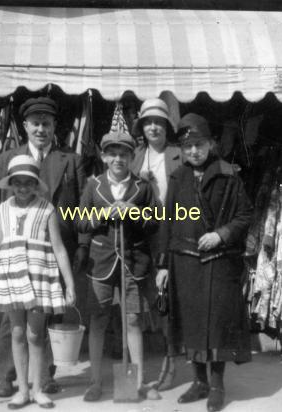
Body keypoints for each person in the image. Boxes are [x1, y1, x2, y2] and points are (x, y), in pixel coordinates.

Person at [0, 97, 88, 398]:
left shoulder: (70, 159)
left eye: (46, 123)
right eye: (35, 124)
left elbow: (81, 207)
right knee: (12, 322)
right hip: (17, 254)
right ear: (25, 126)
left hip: (55, 249)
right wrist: (12, 230)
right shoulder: (9, 158)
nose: (41, 129)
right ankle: (7, 376)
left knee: (48, 317)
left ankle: (45, 377)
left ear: (54, 126)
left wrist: (81, 244)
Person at [155, 113, 253, 412]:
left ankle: (217, 385)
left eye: (199, 144)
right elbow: (167, 221)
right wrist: (162, 265)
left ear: (210, 144)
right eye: (187, 147)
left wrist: (221, 235)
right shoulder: (177, 177)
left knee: (217, 324)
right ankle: (198, 381)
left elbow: (244, 215)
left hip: (218, 261)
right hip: (183, 263)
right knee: (190, 323)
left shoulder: (228, 174)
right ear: (181, 151)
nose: (194, 152)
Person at [78, 131, 161, 402]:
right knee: (98, 319)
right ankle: (95, 382)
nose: (118, 158)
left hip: (133, 261)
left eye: (123, 154)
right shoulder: (93, 186)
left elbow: (155, 221)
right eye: (112, 153)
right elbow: (79, 222)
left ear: (131, 157)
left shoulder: (143, 187)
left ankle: (136, 382)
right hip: (101, 261)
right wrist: (101, 215)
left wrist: (134, 213)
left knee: (134, 319)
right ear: (103, 157)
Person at [0, 154, 76, 409]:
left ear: (36, 184)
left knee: (35, 334)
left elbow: (59, 248)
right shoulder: (3, 209)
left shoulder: (46, 209)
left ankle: (38, 388)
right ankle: (23, 392)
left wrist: (69, 283)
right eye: (18, 182)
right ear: (11, 183)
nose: (23, 188)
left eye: (28, 183)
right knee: (17, 332)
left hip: (40, 277)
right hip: (11, 276)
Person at [130, 98, 182, 391]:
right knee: (151, 300)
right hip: (143, 237)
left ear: (166, 127)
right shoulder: (135, 157)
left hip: (173, 232)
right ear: (141, 127)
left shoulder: (178, 154)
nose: (153, 127)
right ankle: (145, 368)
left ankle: (171, 363)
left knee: (168, 303)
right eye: (148, 122)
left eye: (159, 123)